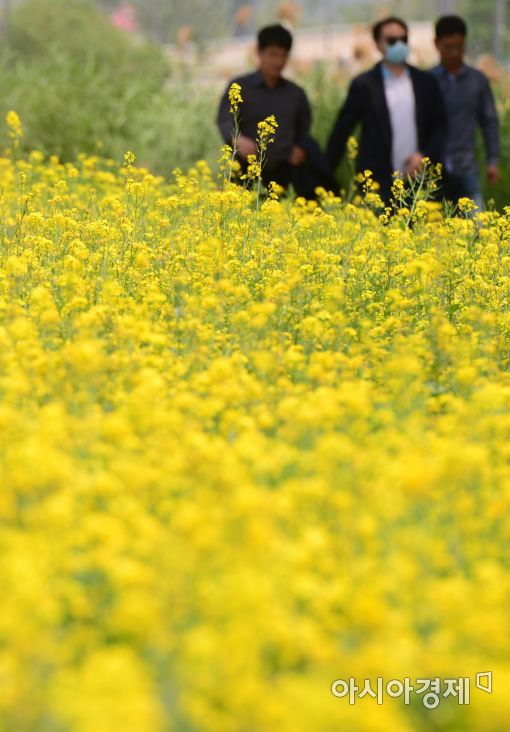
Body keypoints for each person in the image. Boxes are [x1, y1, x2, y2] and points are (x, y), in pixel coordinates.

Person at [326, 17, 447, 203]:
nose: (399, 44)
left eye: (404, 39)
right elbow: (343, 129)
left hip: (418, 180)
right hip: (377, 182)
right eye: (392, 40)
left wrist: (424, 157)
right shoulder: (364, 85)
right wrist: (325, 173)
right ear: (378, 45)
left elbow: (440, 126)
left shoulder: (426, 82)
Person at [217, 24, 336, 198]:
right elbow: (224, 120)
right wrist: (238, 140)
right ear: (259, 52)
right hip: (246, 172)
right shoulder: (239, 86)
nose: (278, 62)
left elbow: (304, 129)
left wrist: (300, 148)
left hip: (286, 174)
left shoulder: (296, 93)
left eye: (284, 56)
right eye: (273, 54)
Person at [430, 15, 500, 209]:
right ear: (436, 44)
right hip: (433, 171)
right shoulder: (427, 81)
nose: (454, 53)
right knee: (431, 232)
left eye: (459, 47)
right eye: (448, 47)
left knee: (476, 230)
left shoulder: (477, 80)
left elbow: (489, 122)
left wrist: (492, 161)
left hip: (466, 168)